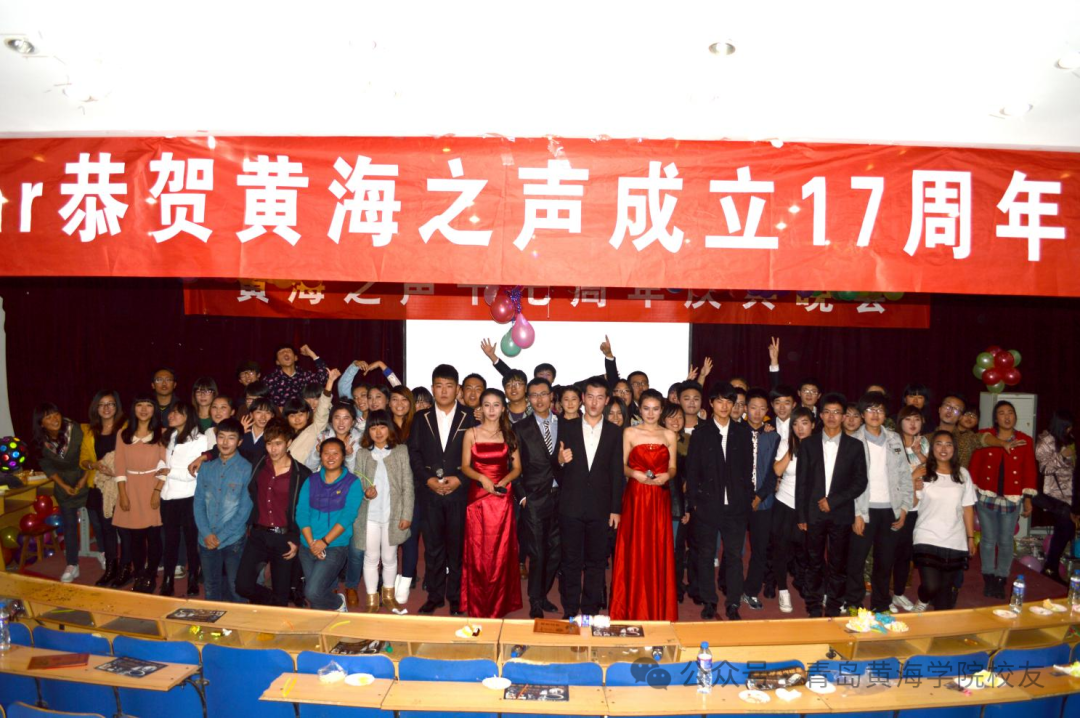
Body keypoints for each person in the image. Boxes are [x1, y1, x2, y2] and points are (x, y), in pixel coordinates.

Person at [408, 364, 476, 616]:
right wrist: (428, 480)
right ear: (432, 388)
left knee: (457, 549)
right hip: (430, 493)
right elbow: (414, 453)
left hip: (460, 493)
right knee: (433, 548)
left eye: (449, 386)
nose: (444, 391)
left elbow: (477, 454)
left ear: (457, 389)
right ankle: (435, 596)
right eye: (439, 386)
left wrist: (460, 479)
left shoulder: (470, 416)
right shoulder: (420, 417)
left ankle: (456, 597)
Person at [686, 382, 754, 621]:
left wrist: (746, 498)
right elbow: (692, 472)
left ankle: (733, 602)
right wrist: (694, 503)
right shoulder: (700, 434)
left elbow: (748, 470)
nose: (724, 406)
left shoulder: (743, 433)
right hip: (707, 506)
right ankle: (709, 601)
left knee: (734, 556)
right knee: (706, 555)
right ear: (711, 403)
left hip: (736, 507)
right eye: (719, 401)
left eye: (729, 402)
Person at [796, 392, 868, 618]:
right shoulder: (808, 444)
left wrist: (833, 501)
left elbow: (860, 482)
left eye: (837, 413)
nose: (831, 417)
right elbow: (802, 483)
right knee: (814, 562)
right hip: (813, 514)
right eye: (827, 412)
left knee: (838, 563)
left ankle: (835, 605)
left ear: (844, 416)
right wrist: (801, 516)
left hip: (841, 513)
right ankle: (814, 605)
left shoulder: (855, 446)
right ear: (821, 415)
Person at [556, 377, 623, 618]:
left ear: (606, 401)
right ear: (583, 399)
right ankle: (570, 610)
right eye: (590, 397)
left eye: (600, 397)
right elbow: (555, 469)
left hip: (601, 508)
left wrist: (615, 509)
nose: (594, 402)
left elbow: (617, 473)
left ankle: (590, 610)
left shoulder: (615, 432)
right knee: (570, 562)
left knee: (596, 563)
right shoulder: (566, 427)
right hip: (571, 506)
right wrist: (560, 461)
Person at [610, 389, 678, 621]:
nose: (650, 413)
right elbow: (620, 466)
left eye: (655, 409)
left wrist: (667, 476)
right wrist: (635, 474)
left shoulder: (669, 434)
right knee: (635, 547)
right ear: (639, 409)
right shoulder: (629, 432)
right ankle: (632, 606)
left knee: (658, 547)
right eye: (646, 408)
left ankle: (657, 609)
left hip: (659, 496)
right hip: (636, 496)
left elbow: (673, 467)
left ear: (662, 410)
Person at [845, 392, 913, 614]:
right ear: (862, 414)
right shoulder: (852, 440)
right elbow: (847, 481)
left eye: (880, 410)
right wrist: (856, 513)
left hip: (890, 510)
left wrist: (904, 508)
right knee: (856, 560)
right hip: (864, 510)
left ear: (886, 415)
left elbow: (905, 476)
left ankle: (881, 603)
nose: (875, 414)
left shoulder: (894, 439)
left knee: (885, 561)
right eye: (870, 410)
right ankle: (854, 603)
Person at [235, 418, 313, 606]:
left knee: (281, 593)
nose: (273, 449)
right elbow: (227, 450)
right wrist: (204, 457)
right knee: (242, 586)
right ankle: (276, 601)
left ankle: (279, 602)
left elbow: (305, 511)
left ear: (289, 442)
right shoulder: (259, 462)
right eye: (269, 443)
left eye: (278, 443)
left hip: (284, 538)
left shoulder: (302, 474)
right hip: (258, 535)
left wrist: (296, 539)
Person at [460, 389, 523, 618]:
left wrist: (503, 482)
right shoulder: (471, 433)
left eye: (496, 405)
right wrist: (482, 478)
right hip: (478, 496)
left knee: (500, 551)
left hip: (502, 497)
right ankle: (478, 603)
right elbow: (465, 466)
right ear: (481, 408)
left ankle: (499, 604)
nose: (492, 409)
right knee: (478, 551)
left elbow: (517, 468)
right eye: (487, 405)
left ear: (503, 408)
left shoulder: (509, 434)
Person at [970, 401, 1037, 599]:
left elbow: (1029, 470)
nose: (1007, 417)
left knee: (1006, 540)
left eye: (1010, 413)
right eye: (1001, 413)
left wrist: (1028, 499)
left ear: (1015, 416)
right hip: (986, 496)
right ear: (995, 418)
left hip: (1011, 497)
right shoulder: (985, 436)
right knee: (988, 539)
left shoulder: (1025, 440)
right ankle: (989, 577)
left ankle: (1001, 578)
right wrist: (970, 494)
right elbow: (975, 465)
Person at [296, 437, 369, 611]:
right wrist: (312, 543)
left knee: (312, 592)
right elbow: (301, 512)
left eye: (335, 453)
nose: (330, 457)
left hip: (334, 546)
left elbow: (347, 517)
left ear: (343, 456)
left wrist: (324, 542)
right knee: (317, 597)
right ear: (320, 456)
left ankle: (338, 603)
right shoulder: (311, 480)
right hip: (308, 545)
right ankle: (325, 623)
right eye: (326, 453)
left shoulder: (352, 482)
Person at [354, 410, 415, 613]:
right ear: (367, 431)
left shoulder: (400, 451)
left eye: (382, 427)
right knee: (371, 558)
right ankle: (372, 598)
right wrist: (366, 493)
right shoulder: (362, 454)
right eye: (373, 428)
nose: (378, 432)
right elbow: (358, 484)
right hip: (369, 517)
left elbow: (408, 486)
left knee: (390, 558)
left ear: (390, 429)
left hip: (393, 515)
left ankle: (389, 596)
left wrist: (406, 515)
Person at [911, 431, 977, 611]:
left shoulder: (962, 474)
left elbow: (967, 507)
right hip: (926, 535)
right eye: (939, 444)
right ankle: (923, 599)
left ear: (954, 449)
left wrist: (970, 537)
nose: (943, 448)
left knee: (945, 594)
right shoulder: (923, 471)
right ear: (932, 448)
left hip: (954, 538)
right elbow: (913, 504)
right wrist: (913, 483)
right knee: (931, 586)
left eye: (948, 445)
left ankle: (940, 623)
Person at [514, 377, 563, 618]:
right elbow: (512, 466)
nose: (539, 399)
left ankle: (543, 594)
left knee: (556, 552)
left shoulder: (565, 424)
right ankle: (534, 601)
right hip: (534, 499)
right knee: (538, 552)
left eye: (543, 394)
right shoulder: (520, 428)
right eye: (534, 395)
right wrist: (522, 497)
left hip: (562, 497)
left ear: (551, 396)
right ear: (528, 399)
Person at [112, 394, 167, 593]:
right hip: (131, 488)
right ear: (133, 409)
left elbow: (165, 465)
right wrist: (123, 494)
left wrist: (157, 491)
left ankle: (151, 575)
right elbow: (119, 465)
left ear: (154, 410)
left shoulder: (162, 433)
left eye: (148, 405)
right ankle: (139, 575)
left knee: (154, 536)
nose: (144, 409)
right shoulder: (123, 434)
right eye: (139, 405)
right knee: (135, 537)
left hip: (153, 486)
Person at [193, 418, 252, 603]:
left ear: (239, 442)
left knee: (236, 588)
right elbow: (198, 502)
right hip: (206, 538)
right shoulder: (206, 467)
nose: (225, 442)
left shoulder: (246, 469)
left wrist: (220, 536)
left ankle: (240, 620)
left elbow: (244, 510)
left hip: (233, 539)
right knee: (211, 586)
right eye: (221, 437)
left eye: (231, 438)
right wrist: (206, 533)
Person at [159, 402, 212, 596]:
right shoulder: (171, 436)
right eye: (171, 412)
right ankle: (168, 579)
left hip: (189, 497)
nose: (171, 415)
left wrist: (169, 472)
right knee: (170, 541)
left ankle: (192, 577)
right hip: (168, 496)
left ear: (188, 416)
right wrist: (163, 470)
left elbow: (194, 473)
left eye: (176, 412)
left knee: (191, 541)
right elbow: (164, 463)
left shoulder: (200, 439)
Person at [33, 404, 87, 583]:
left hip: (86, 476)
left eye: (56, 414)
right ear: (41, 423)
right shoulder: (41, 441)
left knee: (99, 520)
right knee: (69, 524)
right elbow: (47, 465)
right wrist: (63, 486)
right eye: (48, 417)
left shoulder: (74, 429)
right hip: (63, 484)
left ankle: (106, 556)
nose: (54, 419)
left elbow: (89, 453)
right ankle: (72, 564)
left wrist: (83, 479)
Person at [769, 408, 816, 613]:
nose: (800, 428)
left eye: (804, 423)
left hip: (809, 507)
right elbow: (777, 470)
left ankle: (809, 585)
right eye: (795, 424)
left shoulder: (821, 445)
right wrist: (792, 448)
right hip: (785, 503)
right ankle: (783, 590)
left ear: (813, 425)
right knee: (780, 549)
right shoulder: (786, 443)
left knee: (807, 551)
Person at [79, 390, 126, 587]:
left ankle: (126, 569)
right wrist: (94, 465)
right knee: (106, 530)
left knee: (125, 530)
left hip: (122, 485)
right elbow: (83, 459)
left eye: (110, 404)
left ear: (116, 407)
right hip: (99, 486)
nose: (106, 408)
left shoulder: (126, 428)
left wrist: (115, 469)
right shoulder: (90, 432)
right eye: (102, 404)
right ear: (96, 408)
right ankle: (110, 568)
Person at [741, 388, 781, 610]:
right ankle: (732, 588)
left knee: (760, 549)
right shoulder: (736, 433)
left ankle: (750, 591)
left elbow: (773, 472)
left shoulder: (773, 437)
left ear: (767, 411)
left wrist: (759, 496)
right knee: (734, 549)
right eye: (753, 407)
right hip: (738, 500)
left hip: (764, 501)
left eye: (762, 408)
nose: (757, 412)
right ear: (745, 409)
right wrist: (747, 497)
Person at [891, 405, 929, 612]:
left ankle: (898, 593)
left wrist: (919, 454)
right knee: (891, 551)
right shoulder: (892, 442)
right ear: (900, 422)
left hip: (921, 507)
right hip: (898, 505)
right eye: (908, 419)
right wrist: (913, 477)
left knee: (907, 553)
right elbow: (889, 476)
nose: (913, 424)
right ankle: (885, 595)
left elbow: (934, 470)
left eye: (917, 419)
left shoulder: (924, 443)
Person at [1035, 410, 1076, 587]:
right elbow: (1044, 468)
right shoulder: (1045, 441)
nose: (1069, 430)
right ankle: (1050, 567)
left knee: (1066, 531)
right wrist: (1062, 456)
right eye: (1066, 427)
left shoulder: (1068, 438)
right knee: (1065, 527)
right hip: (1053, 493)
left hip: (1070, 492)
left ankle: (1051, 567)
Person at [661, 402, 691, 602]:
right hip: (655, 503)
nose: (676, 421)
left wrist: (687, 508)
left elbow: (692, 479)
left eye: (679, 416)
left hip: (678, 504)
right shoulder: (655, 440)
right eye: (671, 416)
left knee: (676, 550)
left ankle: (675, 587)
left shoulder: (689, 442)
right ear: (663, 419)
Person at [266, 344, 329, 409]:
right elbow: (264, 403)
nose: (285, 353)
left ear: (296, 358)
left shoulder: (306, 376)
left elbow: (325, 377)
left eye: (288, 351)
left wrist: (312, 354)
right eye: (281, 352)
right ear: (277, 362)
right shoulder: (270, 380)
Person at [239, 397, 274, 465]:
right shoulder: (242, 431)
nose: (263, 417)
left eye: (267, 413)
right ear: (251, 415)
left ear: (272, 416)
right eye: (259, 412)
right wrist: (239, 434)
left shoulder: (274, 436)